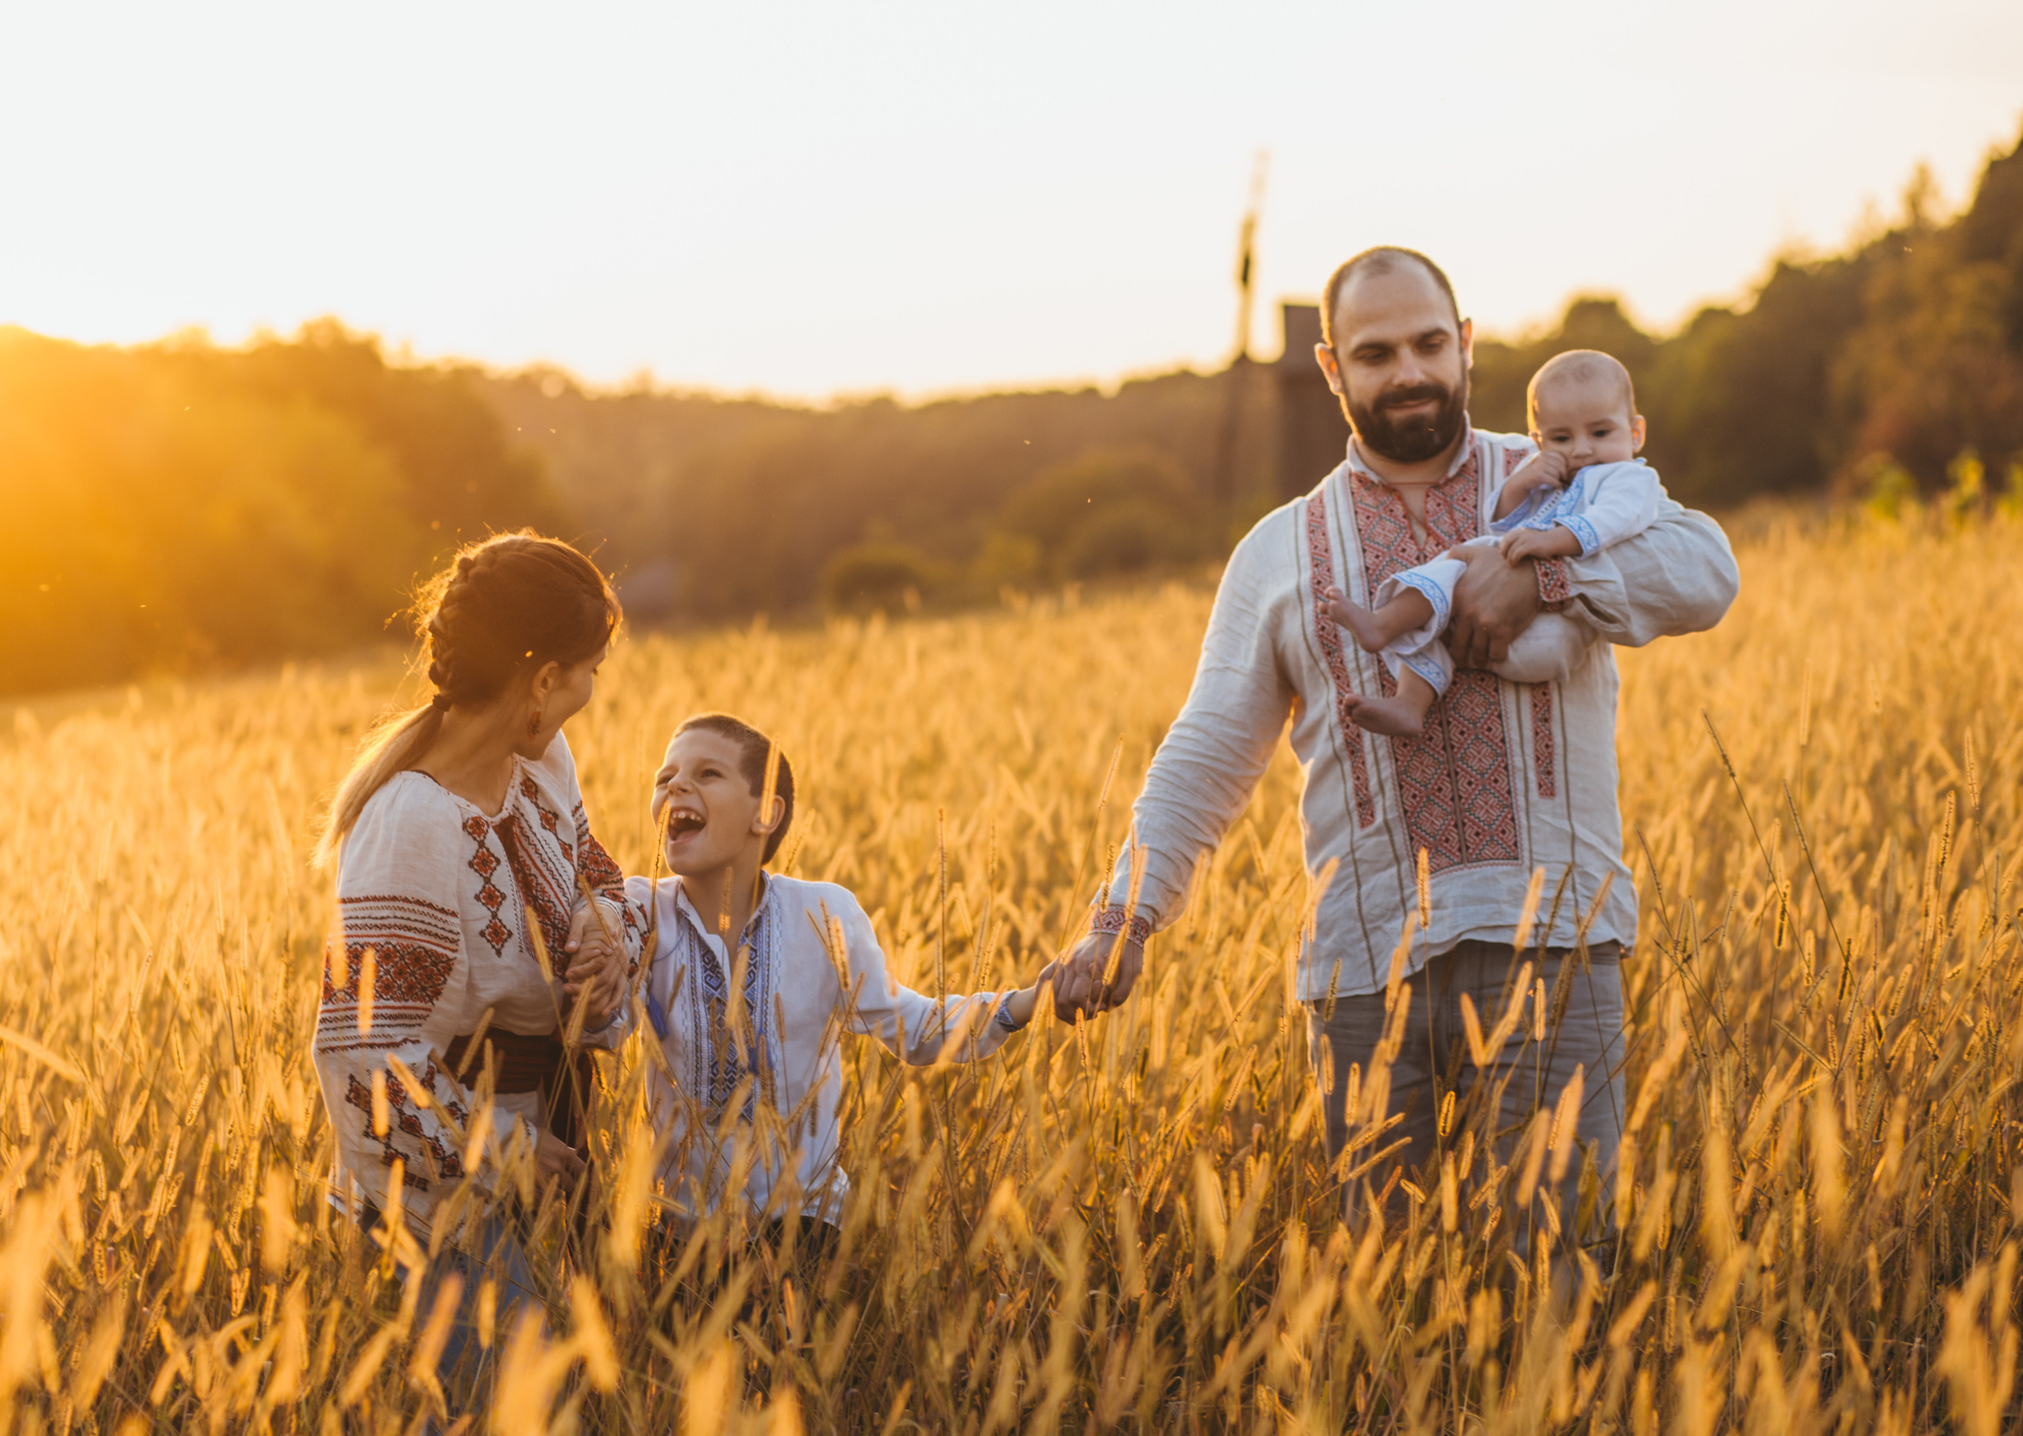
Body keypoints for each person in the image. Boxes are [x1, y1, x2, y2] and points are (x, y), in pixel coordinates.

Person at [1054, 247, 1739, 1275]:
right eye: (1375, 354)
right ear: (1332, 369)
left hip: (1555, 938)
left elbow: (1704, 571)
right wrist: (1125, 916)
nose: (1408, 371)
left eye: (1428, 343)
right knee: (1395, 1303)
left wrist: (1542, 586)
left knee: (1563, 1281)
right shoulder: (1279, 551)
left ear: (1464, 345)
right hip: (1365, 977)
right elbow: (1207, 748)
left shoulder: (1563, 476)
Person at [315, 532, 632, 1402]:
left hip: (553, 1151)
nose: (590, 693)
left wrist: (606, 944)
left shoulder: (540, 768)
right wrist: (508, 1150)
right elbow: (364, 1051)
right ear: (540, 680)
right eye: (587, 670)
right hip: (442, 1201)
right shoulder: (410, 821)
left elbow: (598, 883)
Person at [622, 714, 1052, 1259]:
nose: (676, 786)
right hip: (679, 1231)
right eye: (665, 778)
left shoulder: (822, 915)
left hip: (802, 1227)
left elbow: (913, 1028)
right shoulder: (638, 911)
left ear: (765, 814)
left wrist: (1025, 1003)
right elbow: (601, 1026)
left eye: (707, 773)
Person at [1324, 349, 1659, 737]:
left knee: (1455, 564)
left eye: (1600, 433)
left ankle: (1385, 625)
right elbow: (1500, 521)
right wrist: (1521, 483)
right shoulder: (1548, 474)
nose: (1581, 449)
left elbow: (1610, 520)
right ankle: (1407, 697)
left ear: (1635, 432)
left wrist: (1553, 541)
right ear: (1538, 439)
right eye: (1561, 437)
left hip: (1553, 633)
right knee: (1440, 600)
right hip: (1499, 616)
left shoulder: (1629, 479)